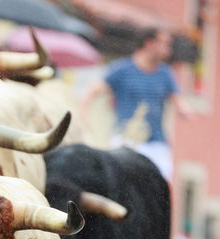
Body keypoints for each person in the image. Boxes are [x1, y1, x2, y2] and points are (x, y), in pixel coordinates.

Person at [80, 27, 192, 181]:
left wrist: (185, 109)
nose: (168, 49)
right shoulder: (122, 69)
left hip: (155, 142)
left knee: (162, 182)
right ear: (149, 43)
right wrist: (83, 118)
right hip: (126, 138)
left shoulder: (165, 73)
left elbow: (179, 99)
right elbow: (91, 91)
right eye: (164, 44)